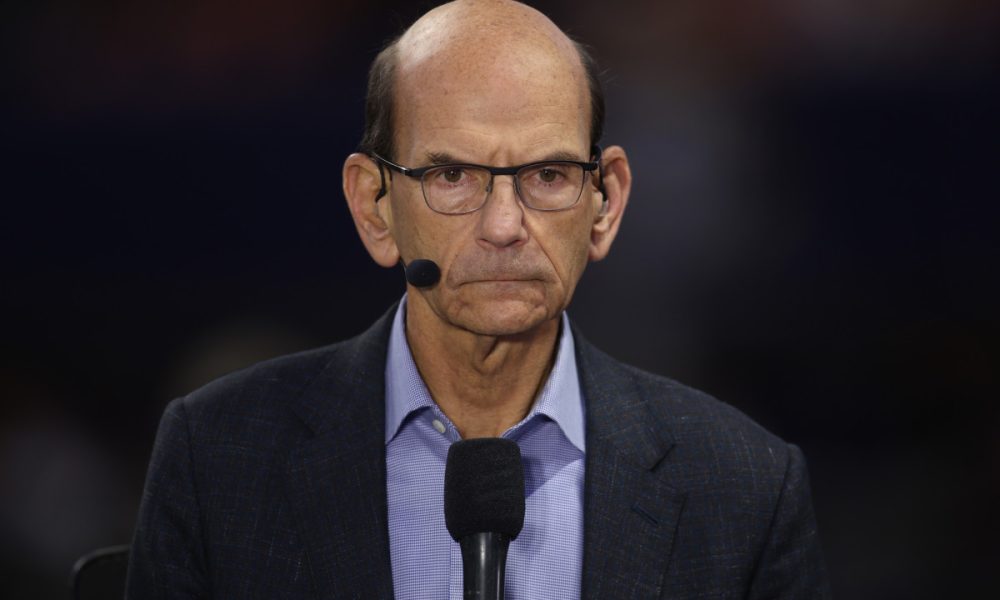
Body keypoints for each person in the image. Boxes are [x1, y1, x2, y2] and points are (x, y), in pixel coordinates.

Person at [126, 1, 830, 598]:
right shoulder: (218, 456)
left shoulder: (745, 485)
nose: (503, 226)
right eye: (453, 176)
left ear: (605, 204)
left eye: (548, 174)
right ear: (374, 207)